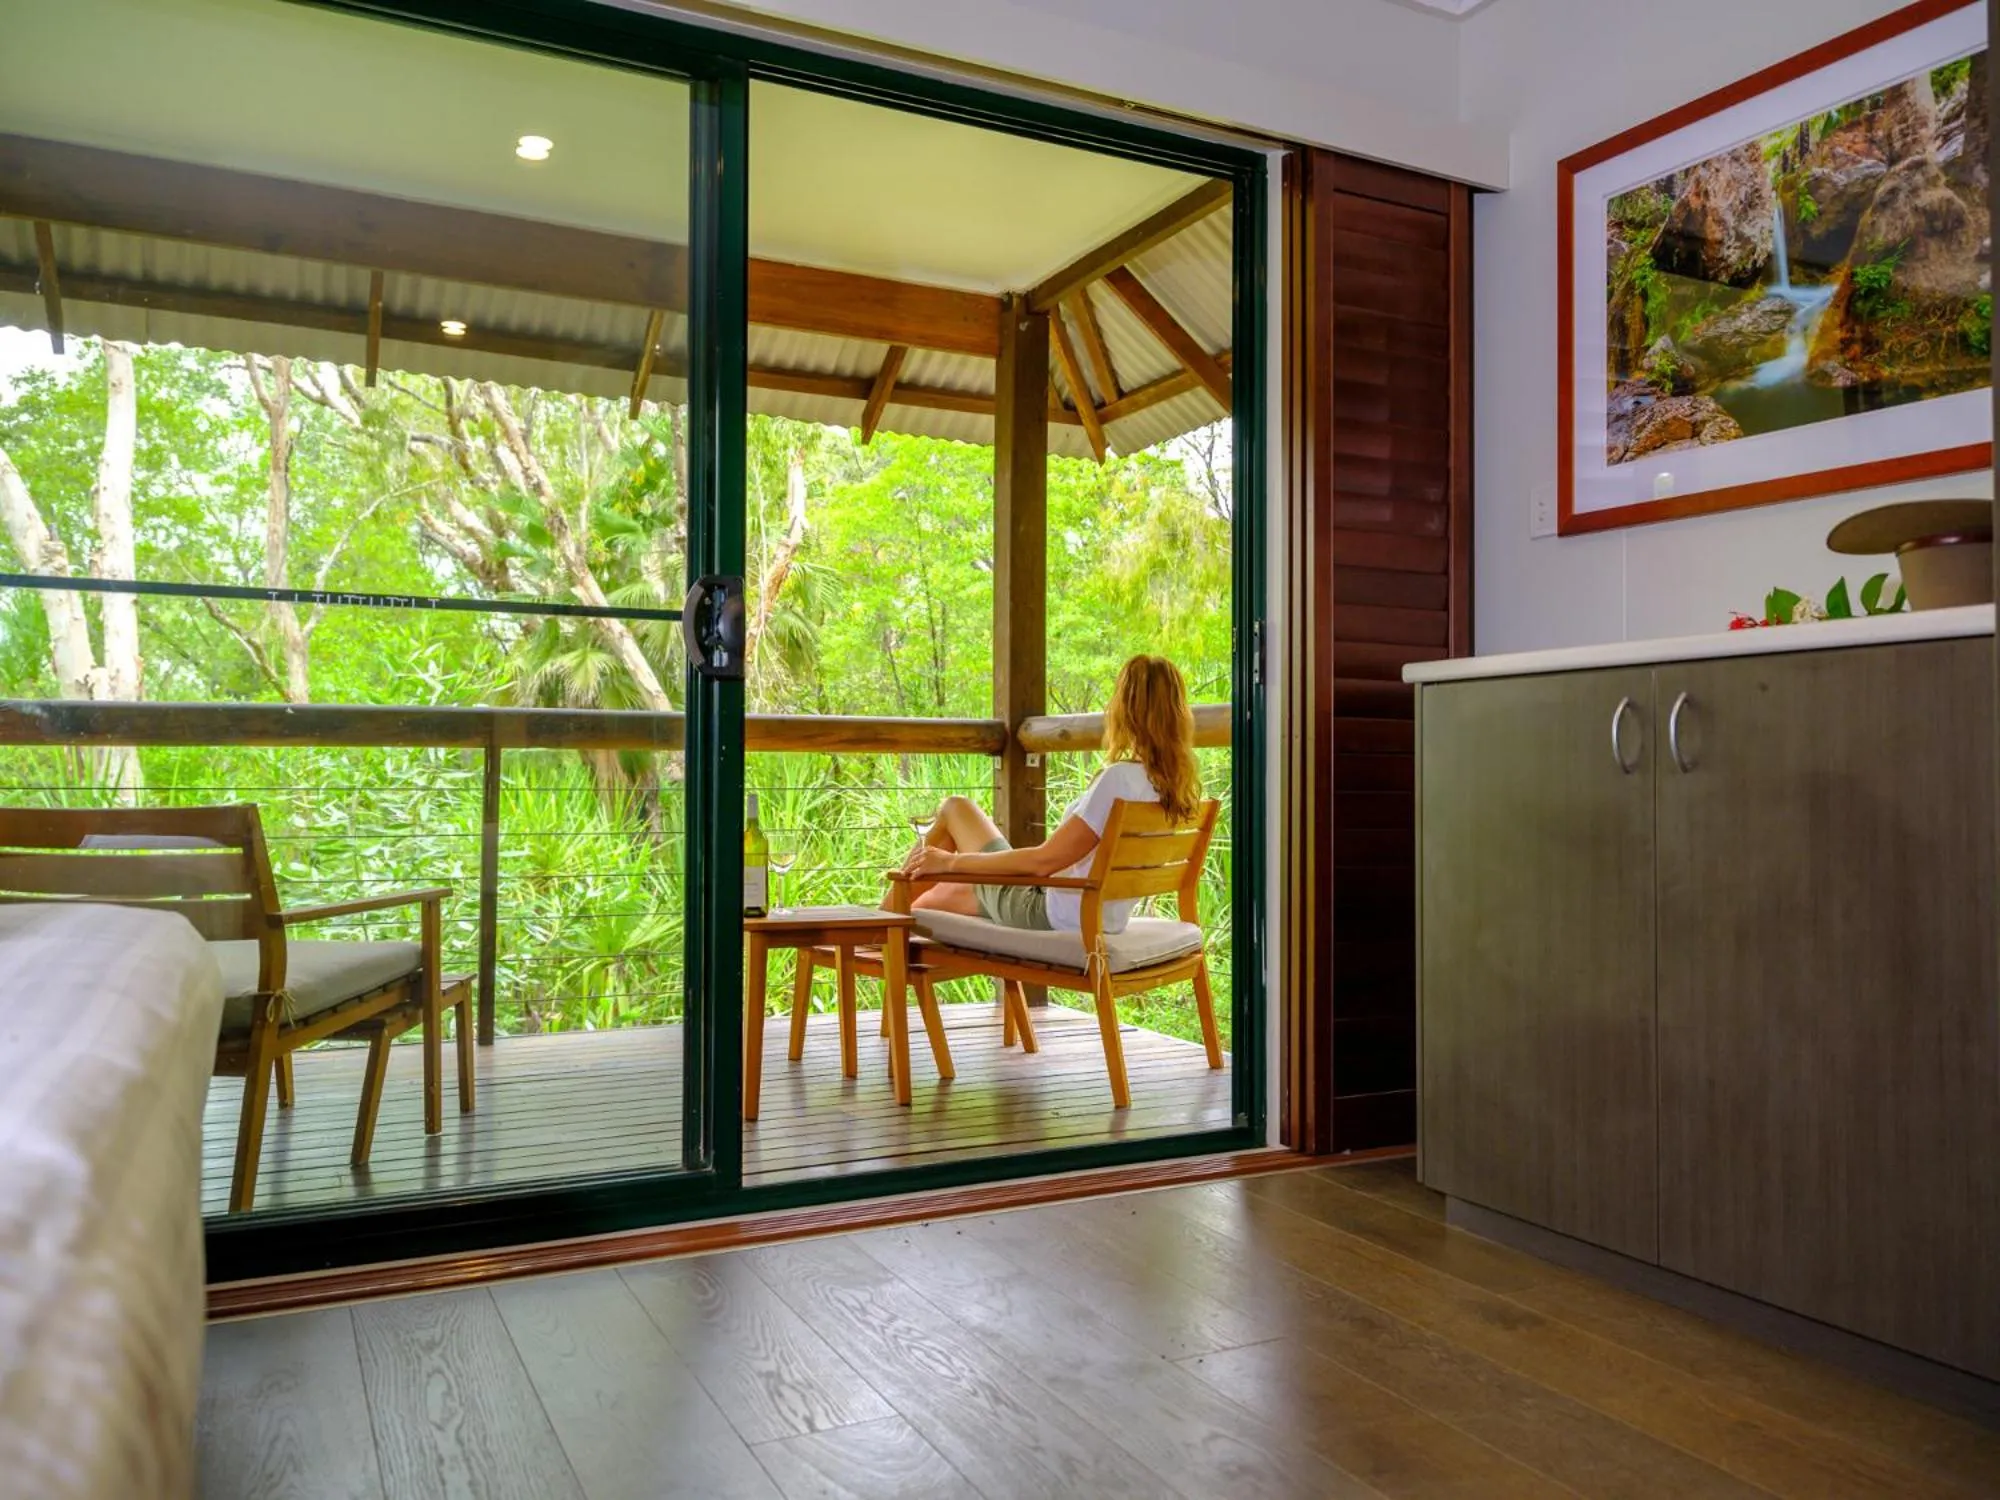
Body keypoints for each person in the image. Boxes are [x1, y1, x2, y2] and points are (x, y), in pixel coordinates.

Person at [901, 654, 1201, 934]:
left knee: (956, 808)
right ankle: (885, 939)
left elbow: (1043, 863)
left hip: (1054, 912)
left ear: (1125, 710)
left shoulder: (1119, 779)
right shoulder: (1171, 787)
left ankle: (873, 933)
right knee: (931, 899)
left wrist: (948, 863)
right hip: (1105, 916)